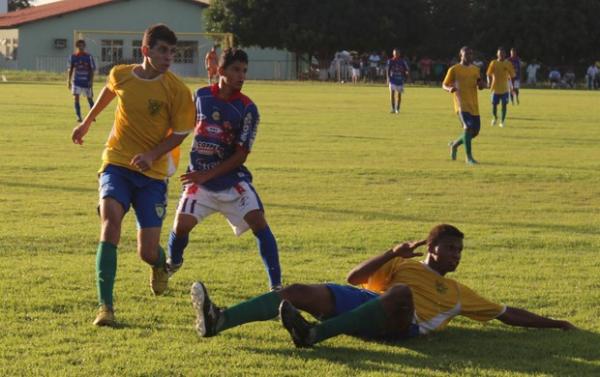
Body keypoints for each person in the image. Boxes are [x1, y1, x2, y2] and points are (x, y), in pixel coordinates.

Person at [190, 224, 576, 348]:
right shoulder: (403, 264)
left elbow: (509, 314)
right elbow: (354, 279)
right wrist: (391, 251)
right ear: (432, 246)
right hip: (366, 305)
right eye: (449, 248)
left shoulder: (458, 294)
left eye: (459, 251)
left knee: (401, 295)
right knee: (296, 292)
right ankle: (219, 321)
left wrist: (556, 323)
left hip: (401, 326)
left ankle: (314, 334)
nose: (455, 255)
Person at [71, 24, 196, 327]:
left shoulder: (177, 90)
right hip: (116, 163)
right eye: (162, 51)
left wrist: (152, 155)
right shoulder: (121, 73)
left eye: (172, 52)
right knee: (110, 221)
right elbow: (109, 90)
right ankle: (105, 308)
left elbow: (181, 132)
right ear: (146, 51)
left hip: (152, 175)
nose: (168, 57)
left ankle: (159, 265)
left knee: (147, 251)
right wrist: (88, 122)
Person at [167, 48, 282, 290]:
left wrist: (206, 174)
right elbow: (185, 123)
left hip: (232, 180)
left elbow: (241, 154)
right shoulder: (200, 96)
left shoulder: (248, 108)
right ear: (221, 71)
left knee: (259, 223)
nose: (242, 76)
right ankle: (172, 264)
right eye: (236, 70)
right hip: (200, 180)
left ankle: (276, 287)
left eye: (244, 71)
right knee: (181, 226)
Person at [443, 46, 485, 165]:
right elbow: (444, 84)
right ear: (461, 56)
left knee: (474, 132)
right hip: (461, 104)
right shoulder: (454, 69)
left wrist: (482, 85)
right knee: (467, 127)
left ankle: (455, 145)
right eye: (467, 54)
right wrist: (449, 88)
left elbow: (479, 84)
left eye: (471, 54)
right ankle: (469, 158)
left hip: (473, 105)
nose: (469, 57)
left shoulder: (475, 69)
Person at [68, 39, 96, 122]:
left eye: (82, 45)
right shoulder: (73, 57)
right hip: (76, 81)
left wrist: (91, 81)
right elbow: (70, 69)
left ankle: (92, 116)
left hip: (86, 81)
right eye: (79, 46)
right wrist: (68, 81)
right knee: (76, 98)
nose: (81, 47)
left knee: (89, 99)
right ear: (77, 46)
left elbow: (92, 69)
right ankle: (79, 117)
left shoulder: (88, 57)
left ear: (84, 46)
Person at [486, 47, 515, 127]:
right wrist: (488, 82)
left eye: (502, 54)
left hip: (505, 89)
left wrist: (512, 86)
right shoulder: (493, 63)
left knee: (504, 105)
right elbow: (488, 74)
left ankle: (502, 121)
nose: (501, 55)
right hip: (495, 89)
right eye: (499, 54)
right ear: (497, 54)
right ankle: (495, 117)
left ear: (505, 55)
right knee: (494, 105)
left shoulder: (508, 64)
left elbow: (512, 76)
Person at [386, 49, 410, 114]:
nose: (396, 54)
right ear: (393, 54)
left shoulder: (402, 61)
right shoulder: (390, 61)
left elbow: (406, 69)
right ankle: (393, 108)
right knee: (392, 94)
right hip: (392, 79)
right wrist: (388, 78)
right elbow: (388, 70)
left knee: (399, 95)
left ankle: (398, 109)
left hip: (400, 80)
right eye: (395, 53)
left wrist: (407, 73)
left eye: (397, 53)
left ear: (399, 54)